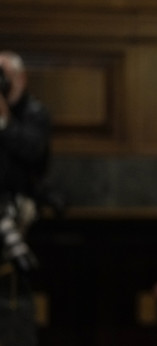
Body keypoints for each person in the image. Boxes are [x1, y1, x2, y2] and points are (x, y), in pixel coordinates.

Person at [0, 50, 51, 346]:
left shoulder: (35, 113)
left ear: (20, 77)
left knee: (14, 296)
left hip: (22, 210)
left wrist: (4, 123)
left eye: (4, 75)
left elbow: (34, 154)